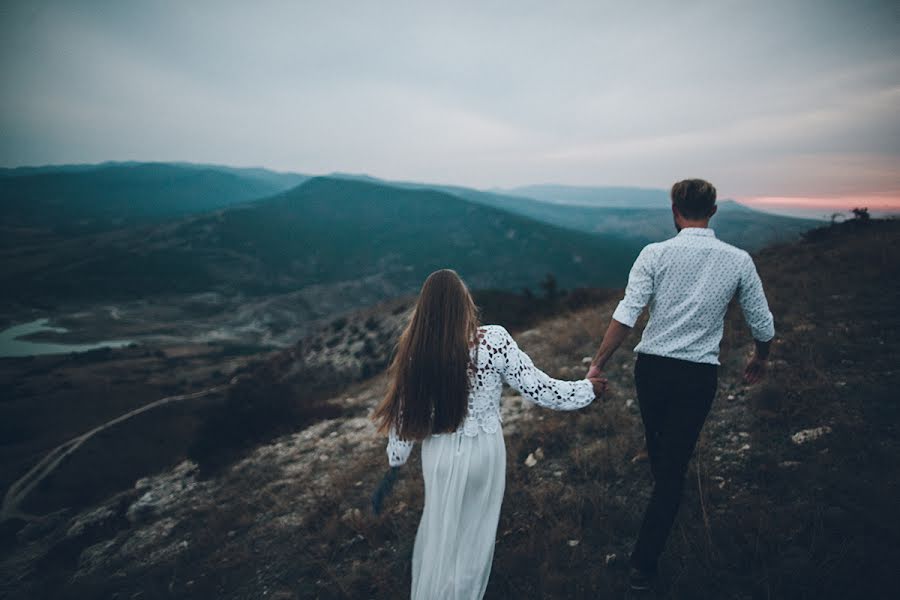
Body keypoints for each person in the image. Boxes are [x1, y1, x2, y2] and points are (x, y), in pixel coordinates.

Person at [586, 178, 775, 591]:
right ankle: (662, 518)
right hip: (697, 374)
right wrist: (760, 357)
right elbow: (762, 322)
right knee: (670, 464)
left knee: (665, 462)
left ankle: (643, 562)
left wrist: (598, 364)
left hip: (651, 369)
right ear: (714, 210)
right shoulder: (738, 260)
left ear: (674, 209)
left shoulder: (654, 254)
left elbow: (628, 314)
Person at [373, 268, 607, 600]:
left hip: (437, 457)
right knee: (474, 538)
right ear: (464, 303)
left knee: (441, 533)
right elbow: (541, 389)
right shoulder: (493, 340)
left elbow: (401, 417)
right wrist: (587, 390)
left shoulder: (416, 352)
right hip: (483, 452)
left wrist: (396, 462)